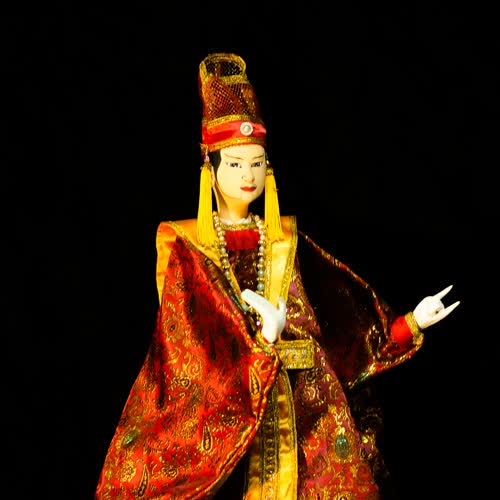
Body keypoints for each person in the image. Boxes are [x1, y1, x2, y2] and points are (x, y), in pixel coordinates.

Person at [95, 52, 459, 499]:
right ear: (210, 168)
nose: (248, 175)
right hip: (235, 425)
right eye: (235, 163)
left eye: (256, 163)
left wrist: (409, 323)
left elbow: (340, 322)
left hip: (306, 413)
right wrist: (262, 341)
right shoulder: (189, 247)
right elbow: (185, 352)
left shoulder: (284, 238)